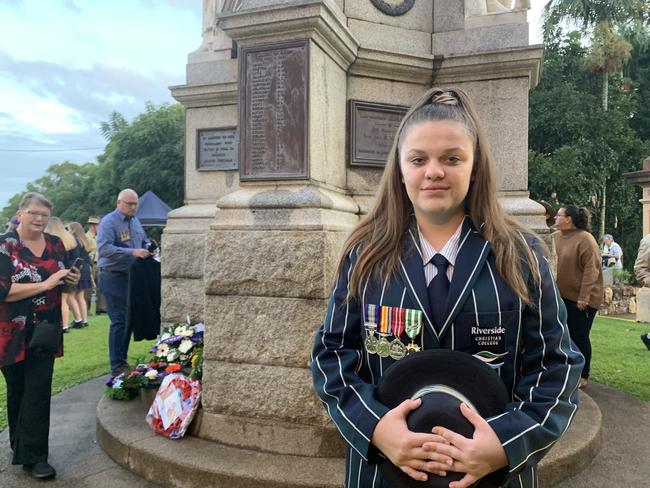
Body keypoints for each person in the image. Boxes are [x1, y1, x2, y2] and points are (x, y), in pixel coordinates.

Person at [311, 87, 584, 488]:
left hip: (492, 476)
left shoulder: (520, 255)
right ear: (401, 170)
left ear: (475, 168)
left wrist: (507, 443)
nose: (434, 171)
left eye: (452, 158)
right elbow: (331, 356)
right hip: (386, 473)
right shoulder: (365, 256)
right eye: (418, 159)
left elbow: (558, 365)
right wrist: (377, 429)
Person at [0, 192, 79, 479]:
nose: (38, 219)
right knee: (18, 389)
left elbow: (63, 288)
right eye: (33, 212)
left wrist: (67, 281)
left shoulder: (56, 244)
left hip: (45, 331)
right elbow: (4, 291)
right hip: (10, 332)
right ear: (20, 213)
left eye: (44, 215)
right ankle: (19, 445)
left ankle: (35, 458)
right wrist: (46, 284)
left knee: (38, 389)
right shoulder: (5, 245)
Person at [97, 189, 151, 377]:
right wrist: (132, 252)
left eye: (135, 204)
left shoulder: (135, 221)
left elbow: (142, 240)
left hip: (131, 275)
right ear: (119, 202)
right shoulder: (109, 222)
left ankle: (122, 361)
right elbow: (104, 249)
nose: (133, 207)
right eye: (129, 203)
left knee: (128, 320)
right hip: (112, 275)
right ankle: (117, 365)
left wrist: (148, 246)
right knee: (119, 320)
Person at [553, 205, 603, 389]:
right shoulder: (556, 236)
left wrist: (584, 298)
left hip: (583, 300)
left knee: (579, 337)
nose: (555, 218)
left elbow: (592, 270)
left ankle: (583, 374)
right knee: (562, 336)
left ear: (569, 219)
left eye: (558, 215)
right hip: (562, 296)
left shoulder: (586, 240)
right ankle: (566, 371)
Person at [44, 217, 81, 332]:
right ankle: (75, 321)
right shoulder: (71, 239)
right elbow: (77, 257)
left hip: (57, 273)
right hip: (71, 273)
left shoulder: (51, 240)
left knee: (60, 300)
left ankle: (63, 325)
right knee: (67, 298)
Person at [66, 222, 94, 327]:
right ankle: (84, 320)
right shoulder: (84, 241)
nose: (67, 231)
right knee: (81, 296)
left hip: (77, 268)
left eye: (68, 229)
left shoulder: (74, 241)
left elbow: (74, 257)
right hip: (85, 267)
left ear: (73, 230)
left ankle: (78, 320)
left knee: (70, 295)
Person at [85, 216, 106, 314]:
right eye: (99, 225)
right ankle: (86, 309)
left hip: (100, 263)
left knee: (101, 286)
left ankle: (101, 308)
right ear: (93, 225)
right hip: (91, 264)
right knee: (88, 288)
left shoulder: (99, 237)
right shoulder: (86, 237)